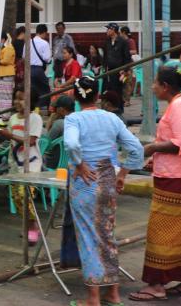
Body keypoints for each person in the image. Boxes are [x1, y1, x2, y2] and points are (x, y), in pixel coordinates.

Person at [129, 68, 181, 301]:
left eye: (155, 83)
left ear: (165, 86)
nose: (152, 87)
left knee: (161, 232)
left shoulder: (180, 106)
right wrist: (156, 159)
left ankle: (156, 285)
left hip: (180, 178)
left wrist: (151, 148)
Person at [64, 76, 144, 306]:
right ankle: (113, 294)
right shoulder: (111, 118)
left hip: (85, 182)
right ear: (97, 96)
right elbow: (136, 148)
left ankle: (93, 299)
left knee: (89, 237)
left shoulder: (74, 119)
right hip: (108, 178)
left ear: (76, 97)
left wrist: (79, 164)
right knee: (107, 234)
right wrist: (123, 174)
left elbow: (71, 144)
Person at [0, 89, 44, 243]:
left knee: (25, 195)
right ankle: (29, 224)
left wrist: (10, 135)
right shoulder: (13, 118)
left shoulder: (35, 118)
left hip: (31, 164)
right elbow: (10, 138)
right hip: (14, 163)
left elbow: (31, 141)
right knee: (16, 198)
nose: (17, 102)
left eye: (21, 99)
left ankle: (32, 226)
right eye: (16, 98)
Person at [103, 23, 131, 114]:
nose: (107, 31)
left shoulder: (123, 42)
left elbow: (127, 57)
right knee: (108, 91)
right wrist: (104, 67)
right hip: (108, 71)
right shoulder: (107, 41)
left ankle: (119, 111)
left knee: (118, 91)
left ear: (113, 30)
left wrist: (125, 70)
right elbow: (105, 56)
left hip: (119, 71)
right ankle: (109, 110)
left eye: (108, 29)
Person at [23, 24, 52, 109]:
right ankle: (42, 107)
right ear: (44, 32)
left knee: (32, 90)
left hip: (28, 69)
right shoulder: (44, 43)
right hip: (39, 69)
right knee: (45, 89)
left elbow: (24, 57)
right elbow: (47, 58)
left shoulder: (28, 42)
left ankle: (33, 107)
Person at [43, 95, 75, 169]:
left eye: (55, 109)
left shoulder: (59, 123)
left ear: (61, 110)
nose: (54, 111)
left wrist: (48, 124)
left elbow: (46, 143)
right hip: (73, 162)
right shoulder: (77, 120)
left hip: (55, 163)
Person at [0, 31, 16, 119]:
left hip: (7, 75)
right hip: (0, 74)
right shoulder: (3, 48)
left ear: (3, 39)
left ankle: (5, 116)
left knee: (5, 97)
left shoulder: (9, 47)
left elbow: (5, 60)